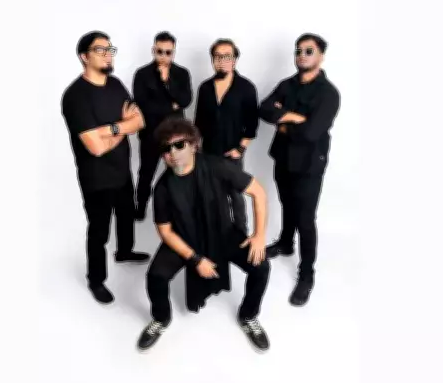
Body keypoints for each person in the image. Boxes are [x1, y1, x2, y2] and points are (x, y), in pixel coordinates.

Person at [136, 117, 271, 352]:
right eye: (166, 149)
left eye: (179, 145)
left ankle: (248, 315)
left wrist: (259, 236)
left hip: (222, 233)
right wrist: (196, 259)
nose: (173, 153)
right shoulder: (162, 188)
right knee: (156, 276)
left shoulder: (217, 166)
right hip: (185, 238)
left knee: (261, 266)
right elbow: (165, 231)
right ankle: (161, 318)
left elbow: (258, 192)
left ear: (193, 145)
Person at [61, 31, 151, 305]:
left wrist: (109, 129)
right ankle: (96, 279)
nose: (108, 54)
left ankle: (124, 252)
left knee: (126, 214)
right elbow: (96, 148)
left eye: (110, 49)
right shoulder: (75, 96)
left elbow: (140, 121)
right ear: (84, 56)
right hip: (96, 177)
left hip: (122, 169)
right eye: (100, 50)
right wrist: (124, 126)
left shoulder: (116, 85)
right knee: (99, 231)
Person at [259, 33, 341, 307]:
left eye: (308, 51)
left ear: (321, 56)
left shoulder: (328, 93)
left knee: (305, 219)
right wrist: (293, 117)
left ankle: (306, 275)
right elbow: (264, 108)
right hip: (283, 158)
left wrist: (283, 121)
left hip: (309, 164)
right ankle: (285, 243)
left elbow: (311, 132)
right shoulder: (287, 84)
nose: (302, 55)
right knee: (286, 204)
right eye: (298, 51)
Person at [194, 38, 259, 232]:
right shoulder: (205, 88)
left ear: (235, 60)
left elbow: (252, 123)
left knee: (236, 195)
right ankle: (217, 233)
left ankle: (241, 234)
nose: (222, 61)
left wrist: (240, 149)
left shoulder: (246, 87)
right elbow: (199, 121)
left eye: (227, 56)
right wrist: (196, 148)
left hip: (233, 152)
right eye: (217, 57)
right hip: (208, 152)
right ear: (212, 60)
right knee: (212, 196)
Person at [132, 31, 193, 221]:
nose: (164, 56)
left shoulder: (181, 73)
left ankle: (181, 210)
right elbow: (142, 106)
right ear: (153, 50)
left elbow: (186, 100)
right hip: (150, 134)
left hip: (175, 135)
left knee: (179, 171)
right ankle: (140, 207)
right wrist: (171, 106)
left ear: (173, 53)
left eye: (168, 52)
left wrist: (167, 82)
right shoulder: (142, 74)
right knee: (146, 173)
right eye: (160, 51)